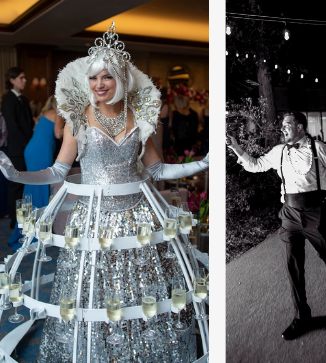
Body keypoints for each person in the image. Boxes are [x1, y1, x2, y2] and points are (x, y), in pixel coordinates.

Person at [0, 23, 209, 362]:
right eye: (94, 77)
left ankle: (141, 351)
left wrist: (203, 163)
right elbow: (57, 171)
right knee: (93, 295)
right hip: (93, 220)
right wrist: (17, 174)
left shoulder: (139, 116)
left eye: (107, 77)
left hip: (137, 218)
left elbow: (157, 169)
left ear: (120, 80)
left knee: (141, 293)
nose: (99, 84)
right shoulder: (77, 118)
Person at [227, 111, 326, 341]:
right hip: (289, 214)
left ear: (300, 126)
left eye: (287, 125)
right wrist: (237, 148)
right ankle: (302, 316)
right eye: (283, 126)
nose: (283, 129)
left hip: (316, 211)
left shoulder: (319, 149)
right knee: (293, 265)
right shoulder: (279, 151)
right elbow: (256, 165)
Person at [7, 95, 64, 252]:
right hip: (41, 151)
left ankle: (31, 229)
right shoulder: (58, 112)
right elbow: (59, 134)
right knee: (41, 184)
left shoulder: (46, 113)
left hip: (32, 150)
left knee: (33, 187)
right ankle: (40, 230)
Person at [2, 67, 33, 230]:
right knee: (16, 185)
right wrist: (28, 144)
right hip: (17, 150)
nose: (25, 81)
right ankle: (15, 220)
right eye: (21, 78)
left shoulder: (24, 100)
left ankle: (25, 216)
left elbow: (29, 125)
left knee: (27, 183)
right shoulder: (8, 100)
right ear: (12, 80)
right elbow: (13, 127)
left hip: (27, 148)